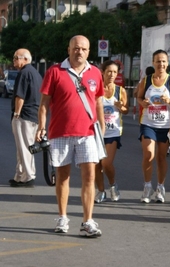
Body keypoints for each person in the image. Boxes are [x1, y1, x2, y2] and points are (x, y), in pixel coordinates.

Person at [36, 35, 104, 237]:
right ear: (69, 49)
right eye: (76, 48)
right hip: (60, 132)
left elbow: (98, 101)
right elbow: (44, 103)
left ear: (89, 52)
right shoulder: (55, 71)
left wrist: (101, 128)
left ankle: (88, 221)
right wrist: (41, 126)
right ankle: (63, 217)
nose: (79, 52)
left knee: (90, 177)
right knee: (63, 177)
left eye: (83, 49)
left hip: (88, 133)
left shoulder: (95, 73)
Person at [136, 49, 170, 204]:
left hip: (165, 125)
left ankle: (160, 188)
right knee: (149, 154)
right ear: (153, 63)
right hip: (148, 123)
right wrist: (143, 103)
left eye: (163, 61)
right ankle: (147, 186)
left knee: (161, 157)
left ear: (167, 63)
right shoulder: (146, 80)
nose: (160, 64)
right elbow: (139, 97)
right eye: (158, 61)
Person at [94, 60, 129, 203]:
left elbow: (126, 110)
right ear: (102, 72)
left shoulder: (120, 91)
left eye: (115, 72)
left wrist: (121, 107)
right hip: (96, 131)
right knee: (96, 164)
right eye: (109, 71)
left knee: (106, 163)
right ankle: (101, 191)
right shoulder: (96, 89)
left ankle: (113, 185)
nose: (112, 75)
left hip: (113, 132)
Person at [9, 49, 42, 187]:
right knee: (23, 147)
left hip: (24, 115)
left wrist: (17, 113)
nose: (14, 60)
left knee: (24, 147)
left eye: (16, 58)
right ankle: (20, 175)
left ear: (25, 59)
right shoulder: (36, 73)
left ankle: (28, 176)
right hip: (33, 115)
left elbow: (20, 96)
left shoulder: (24, 73)